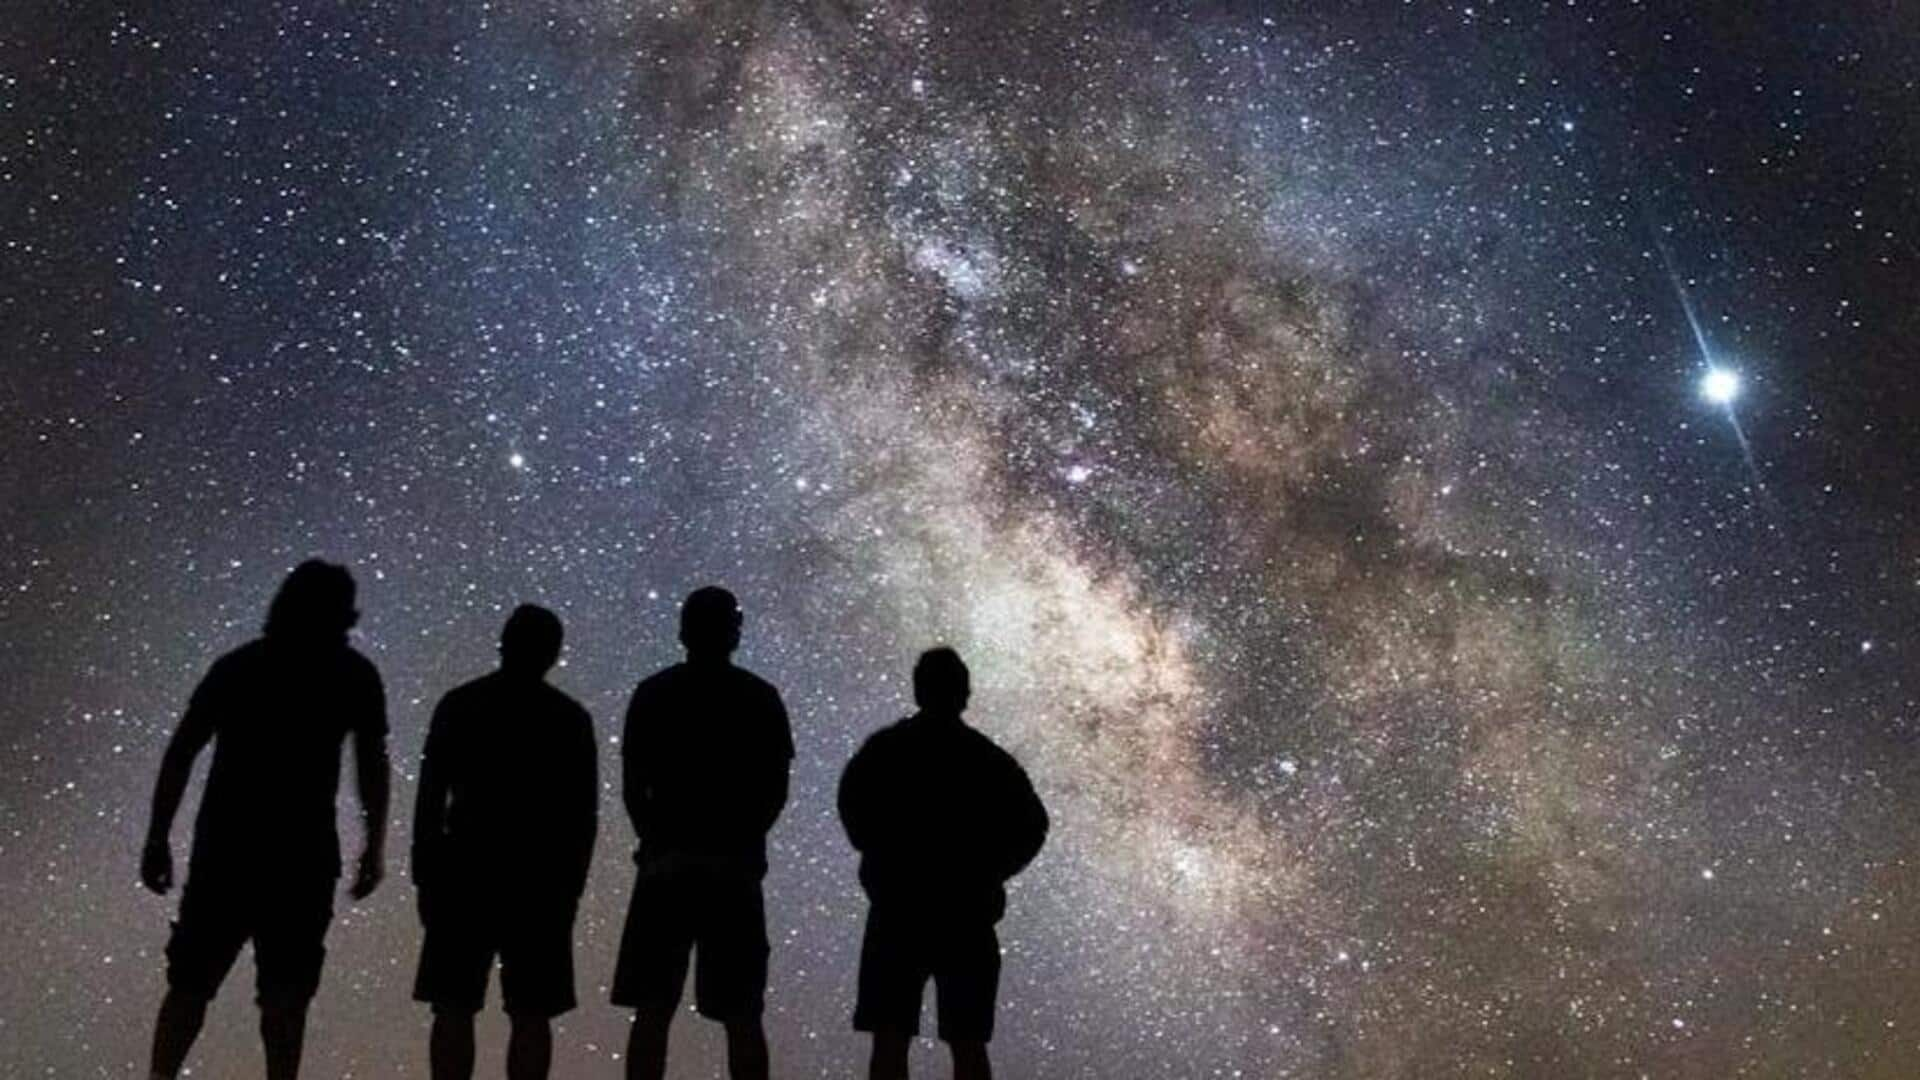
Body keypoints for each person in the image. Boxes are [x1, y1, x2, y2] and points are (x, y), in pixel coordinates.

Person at [139, 559, 391, 1080]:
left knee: (193, 985)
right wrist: (374, 844)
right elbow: (371, 766)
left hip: (229, 851)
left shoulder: (240, 667)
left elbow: (183, 751)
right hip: (299, 857)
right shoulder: (353, 676)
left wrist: (159, 837)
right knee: (283, 999)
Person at [838, 647, 1049, 1080]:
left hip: (898, 911)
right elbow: (1033, 825)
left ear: (919, 690)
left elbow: (852, 803)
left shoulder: (885, 749)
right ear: (965, 694)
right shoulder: (989, 761)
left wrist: (879, 857)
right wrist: (990, 872)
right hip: (966, 916)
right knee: (967, 1044)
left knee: (890, 1039)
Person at [611, 586, 793, 1080]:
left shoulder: (654, 693)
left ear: (684, 631)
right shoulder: (760, 698)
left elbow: (633, 785)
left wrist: (656, 843)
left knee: (652, 1009)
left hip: (666, 870)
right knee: (741, 1015)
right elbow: (775, 789)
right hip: (732, 874)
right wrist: (739, 843)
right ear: (734, 633)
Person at [411, 604, 598, 1080]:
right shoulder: (569, 719)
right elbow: (581, 818)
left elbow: (430, 796)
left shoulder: (460, 704)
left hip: (464, 872)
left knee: (453, 1006)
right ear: (554, 653)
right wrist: (571, 887)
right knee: (531, 1012)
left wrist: (426, 872)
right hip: (539, 882)